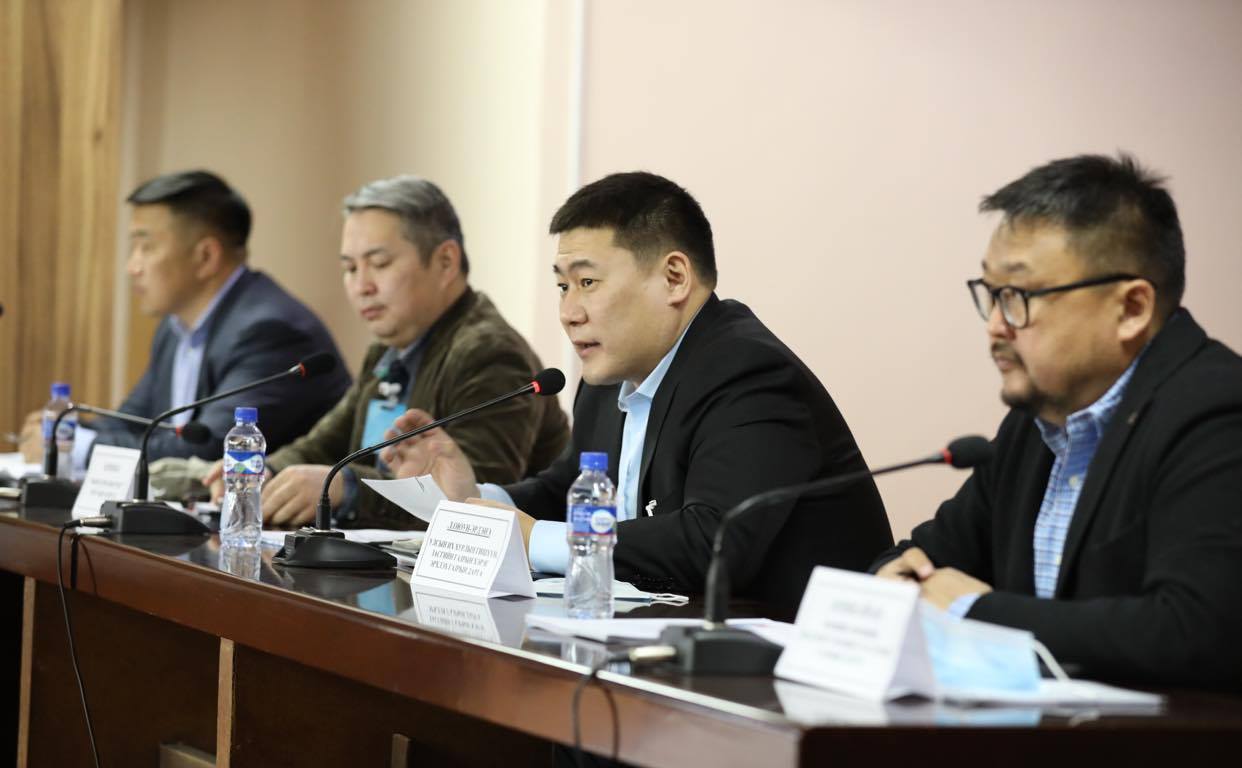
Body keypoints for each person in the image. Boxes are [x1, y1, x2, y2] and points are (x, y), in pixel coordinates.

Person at [384, 171, 893, 617]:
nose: (569, 313)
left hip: (791, 664)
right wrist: (473, 500)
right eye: (562, 287)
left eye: (588, 282)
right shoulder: (607, 382)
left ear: (674, 278)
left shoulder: (747, 372)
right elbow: (568, 491)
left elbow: (712, 541)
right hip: (664, 646)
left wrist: (534, 539)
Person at [874, 153, 1242, 689]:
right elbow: (921, 558)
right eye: (991, 295)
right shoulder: (1034, 427)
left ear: (1131, 309)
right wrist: (889, 585)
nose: (995, 326)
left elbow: (1194, 630)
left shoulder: (1216, 413)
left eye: (1018, 297)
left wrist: (976, 610)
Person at [206, 175, 569, 529]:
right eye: (350, 268)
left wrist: (347, 489)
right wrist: (266, 470)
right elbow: (324, 445)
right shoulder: (389, 348)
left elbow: (474, 498)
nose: (361, 286)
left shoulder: (490, 353)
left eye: (379, 264)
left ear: (445, 262)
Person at [19, 170, 351, 470]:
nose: (132, 267)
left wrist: (78, 447)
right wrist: (66, 429)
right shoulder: (174, 327)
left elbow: (210, 448)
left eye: (146, 248)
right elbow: (133, 421)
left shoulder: (270, 331)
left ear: (205, 256)